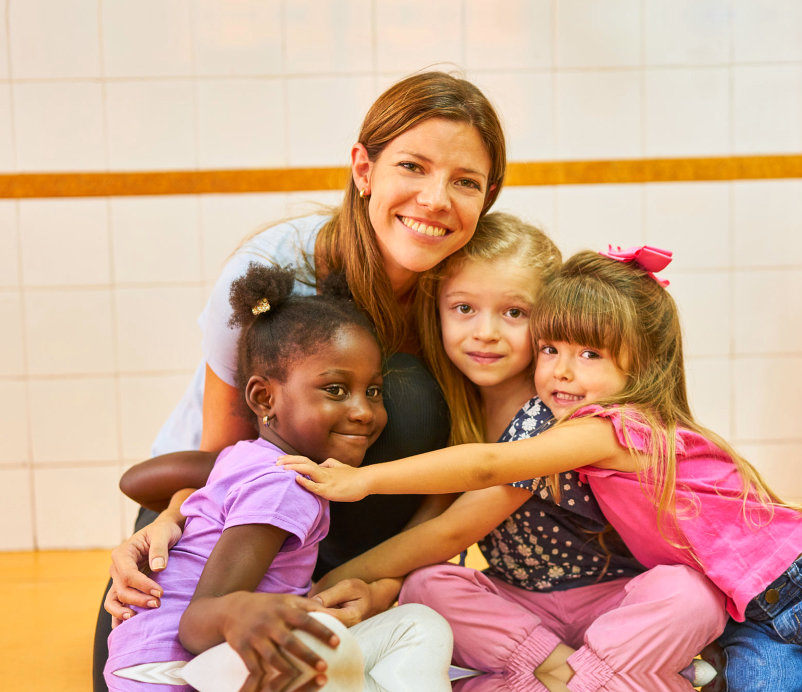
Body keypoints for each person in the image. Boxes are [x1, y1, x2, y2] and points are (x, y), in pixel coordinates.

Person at [281, 246, 802, 691]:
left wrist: (360, 479)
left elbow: (488, 466)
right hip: (750, 610)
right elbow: (459, 508)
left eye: (590, 355)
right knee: (758, 686)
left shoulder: (610, 428)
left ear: (637, 367)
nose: (563, 370)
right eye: (552, 350)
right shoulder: (568, 420)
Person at [93, 69, 506, 690]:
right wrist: (167, 520)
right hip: (212, 541)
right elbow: (226, 461)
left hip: (349, 546)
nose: (436, 199)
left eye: (465, 182)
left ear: (488, 197)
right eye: (413, 167)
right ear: (363, 170)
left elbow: (471, 459)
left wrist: (386, 581)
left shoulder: (474, 295)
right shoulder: (272, 269)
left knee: (414, 399)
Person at [292, 227, 726, 692]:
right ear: (436, 310)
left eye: (515, 313)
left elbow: (454, 530)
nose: (486, 333)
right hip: (521, 605)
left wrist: (328, 579)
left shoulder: (555, 412)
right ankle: (572, 665)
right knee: (426, 585)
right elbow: (434, 525)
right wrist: (378, 589)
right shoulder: (459, 410)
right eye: (463, 308)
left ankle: (575, 674)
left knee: (691, 594)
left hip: (612, 599)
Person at [106, 263, 453, 692]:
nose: (364, 411)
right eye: (336, 390)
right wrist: (247, 612)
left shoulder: (244, 461)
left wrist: (177, 512)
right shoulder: (284, 487)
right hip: (187, 667)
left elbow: (136, 480)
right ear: (264, 397)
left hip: (142, 663)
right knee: (418, 626)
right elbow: (198, 624)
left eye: (374, 391)